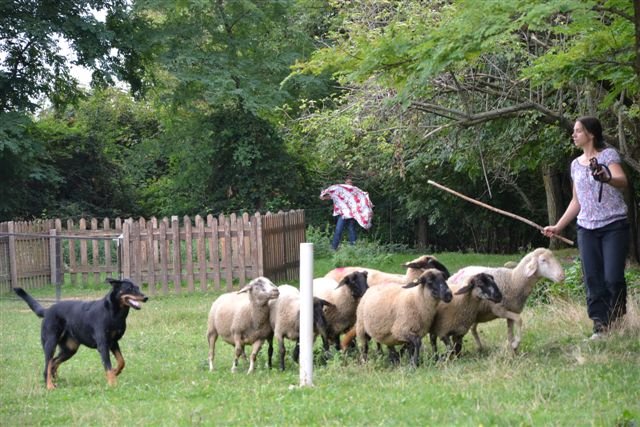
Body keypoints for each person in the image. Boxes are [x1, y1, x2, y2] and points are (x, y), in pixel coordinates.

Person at [543, 116, 629, 340]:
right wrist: (558, 226)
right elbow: (576, 201)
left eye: (578, 131)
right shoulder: (574, 165)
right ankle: (600, 327)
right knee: (592, 279)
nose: (574, 135)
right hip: (586, 228)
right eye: (574, 131)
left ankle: (617, 320)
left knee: (612, 278)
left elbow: (621, 180)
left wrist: (606, 177)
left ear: (590, 134)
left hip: (614, 225)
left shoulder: (608, 155)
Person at [320, 178, 373, 250]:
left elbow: (362, 197)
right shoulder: (340, 191)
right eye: (347, 183)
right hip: (343, 214)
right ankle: (333, 248)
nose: (349, 184)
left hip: (352, 215)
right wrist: (323, 196)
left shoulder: (354, 191)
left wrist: (367, 201)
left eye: (350, 183)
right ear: (345, 183)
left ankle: (353, 248)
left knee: (351, 230)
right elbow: (332, 196)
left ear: (352, 184)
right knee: (339, 230)